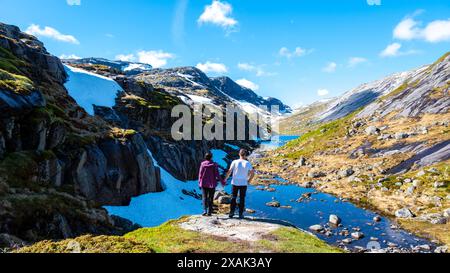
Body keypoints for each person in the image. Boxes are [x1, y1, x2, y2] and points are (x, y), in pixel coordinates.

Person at [224, 149, 255, 219]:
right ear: (245, 155)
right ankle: (240, 214)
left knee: (233, 198)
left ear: (239, 154)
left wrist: (225, 179)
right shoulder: (247, 163)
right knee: (242, 199)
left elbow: (229, 171)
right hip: (243, 183)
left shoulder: (234, 162)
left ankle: (231, 213)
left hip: (234, 182)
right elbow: (252, 173)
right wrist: (248, 181)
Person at [198, 152, 225, 216]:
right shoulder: (214, 164)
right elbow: (217, 175)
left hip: (204, 183)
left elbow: (200, 174)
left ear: (205, 157)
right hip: (212, 184)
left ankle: (204, 210)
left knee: (204, 197)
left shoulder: (202, 164)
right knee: (211, 197)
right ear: (211, 157)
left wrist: (199, 183)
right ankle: (209, 211)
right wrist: (222, 182)